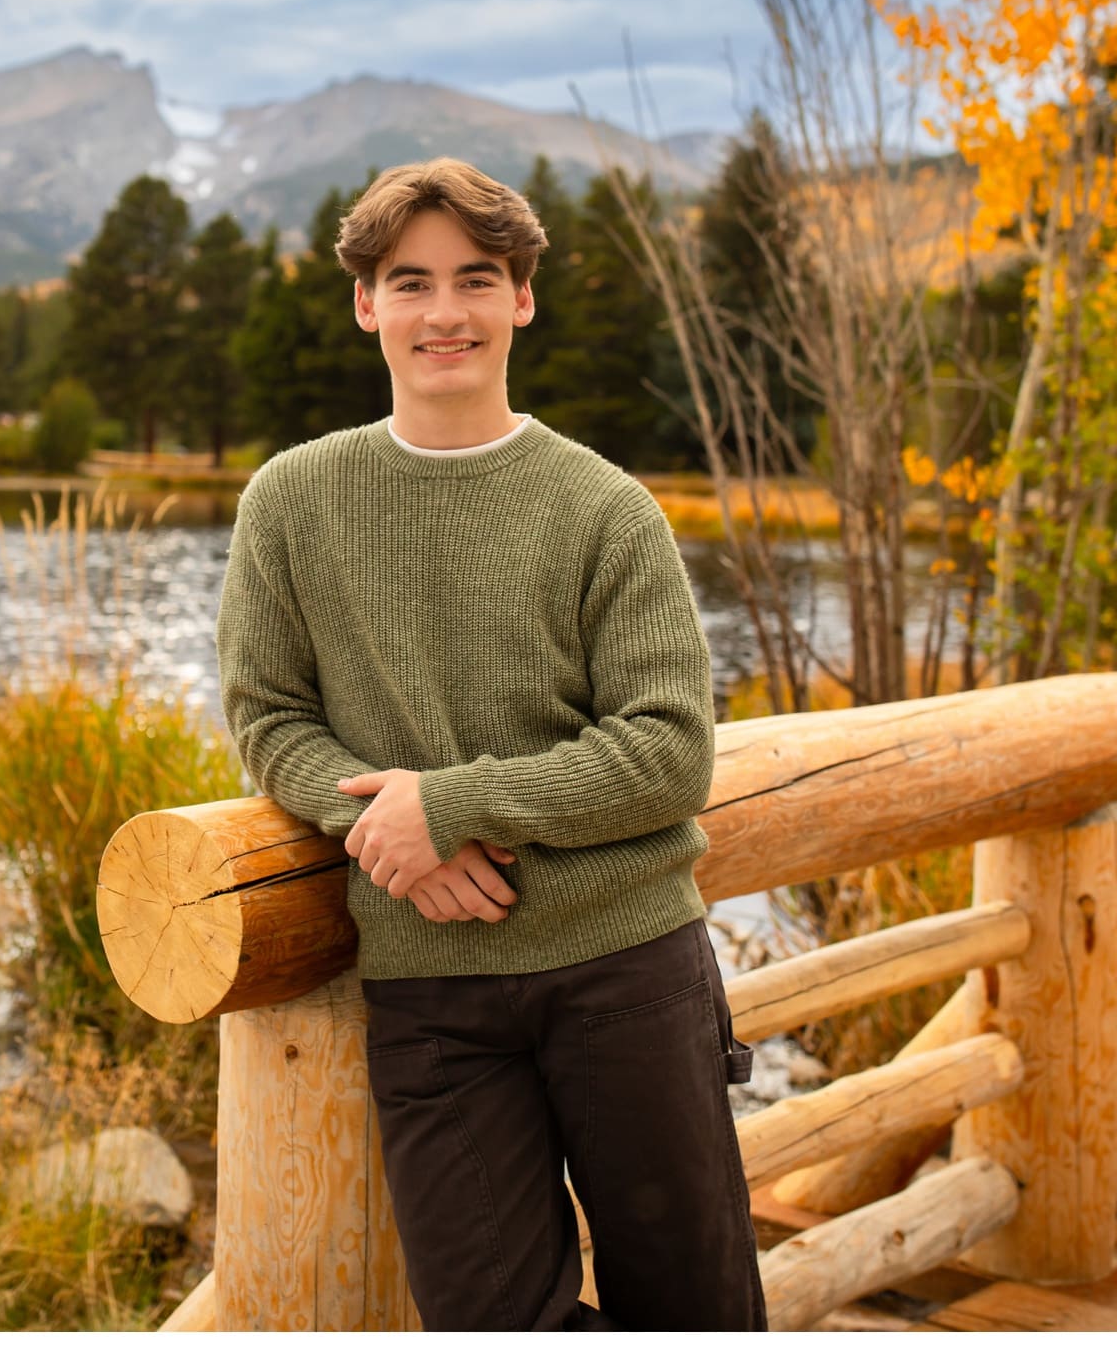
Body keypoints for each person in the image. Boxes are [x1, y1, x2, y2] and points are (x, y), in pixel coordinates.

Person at [215, 157, 766, 1331]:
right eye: (410, 282)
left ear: (523, 297)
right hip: (432, 989)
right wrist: (380, 824)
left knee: (693, 1308)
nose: (445, 312)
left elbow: (671, 750)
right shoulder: (292, 500)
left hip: (627, 974)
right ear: (367, 303)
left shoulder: (605, 507)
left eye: (477, 278)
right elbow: (268, 715)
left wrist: (450, 807)